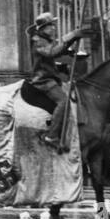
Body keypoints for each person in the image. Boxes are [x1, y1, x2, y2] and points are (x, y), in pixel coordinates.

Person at [24, 12, 90, 150]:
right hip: (43, 80)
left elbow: (50, 59)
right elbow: (51, 53)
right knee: (64, 102)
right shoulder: (38, 40)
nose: (53, 28)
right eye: (50, 26)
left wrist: (68, 55)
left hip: (50, 76)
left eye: (53, 26)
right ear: (42, 28)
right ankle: (51, 135)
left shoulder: (46, 40)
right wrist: (71, 37)